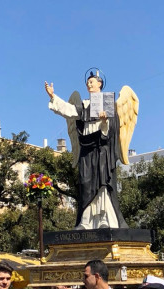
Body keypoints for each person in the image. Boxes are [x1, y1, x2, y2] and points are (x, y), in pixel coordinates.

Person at [45, 70, 128, 230]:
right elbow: (68, 110)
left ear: (100, 84)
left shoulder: (108, 102)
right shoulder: (84, 105)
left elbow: (111, 130)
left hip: (101, 148)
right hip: (86, 148)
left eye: (92, 82)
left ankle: (104, 219)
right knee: (85, 182)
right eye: (87, 82)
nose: (89, 84)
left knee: (102, 181)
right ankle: (86, 221)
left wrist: (104, 121)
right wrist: (53, 97)